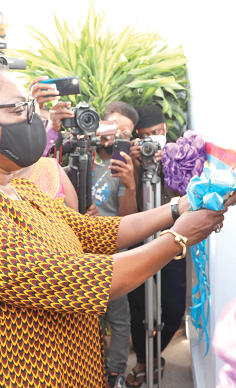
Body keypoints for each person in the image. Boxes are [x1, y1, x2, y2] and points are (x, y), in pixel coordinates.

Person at [0, 54, 236, 388]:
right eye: (18, 109)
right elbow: (80, 281)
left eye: (28, 108)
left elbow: (94, 232)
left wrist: (179, 208)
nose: (30, 119)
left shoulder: (19, 187)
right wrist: (178, 239)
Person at [126, 104, 186, 388]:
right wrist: (137, 166)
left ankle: (155, 355)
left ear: (164, 129)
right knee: (138, 305)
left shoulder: (178, 152)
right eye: (145, 137)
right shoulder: (131, 158)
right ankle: (143, 361)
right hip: (139, 235)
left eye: (156, 134)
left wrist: (169, 164)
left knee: (173, 303)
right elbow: (133, 209)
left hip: (174, 235)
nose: (152, 141)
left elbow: (183, 198)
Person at [87, 102, 139, 388]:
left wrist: (130, 186)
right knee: (87, 319)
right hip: (79, 253)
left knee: (119, 318)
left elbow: (127, 222)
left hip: (113, 255)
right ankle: (89, 371)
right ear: (98, 123)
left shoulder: (124, 167)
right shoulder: (78, 156)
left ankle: (114, 375)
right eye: (112, 126)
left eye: (124, 133)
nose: (115, 135)